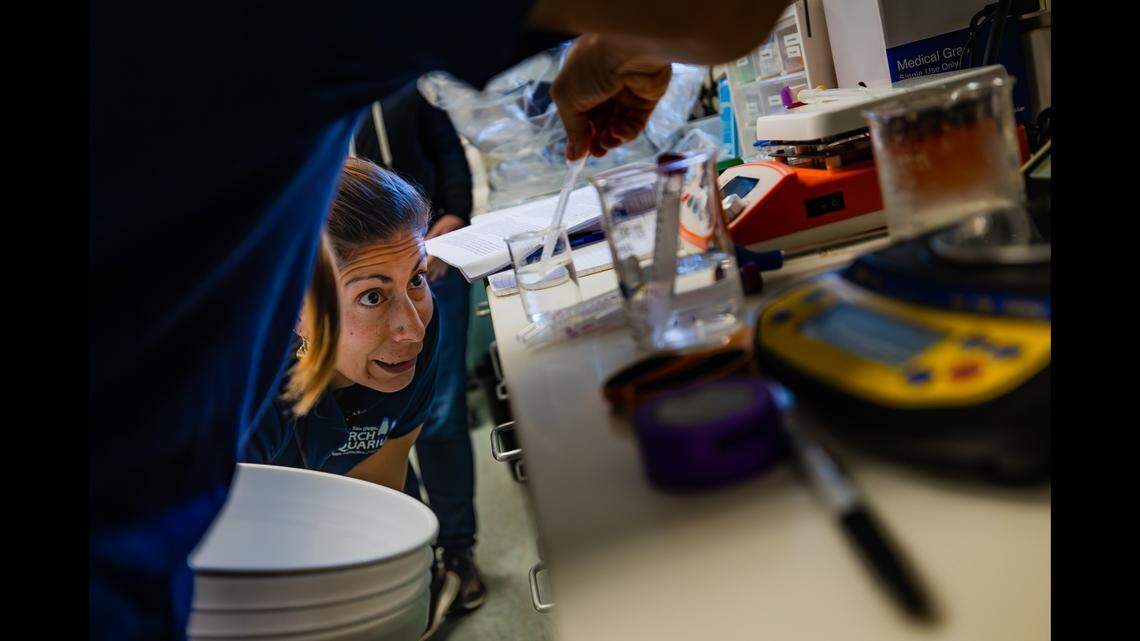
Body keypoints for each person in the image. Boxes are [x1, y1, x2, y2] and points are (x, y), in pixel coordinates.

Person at [90, 1, 792, 638]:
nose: (410, 325)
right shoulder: (250, 395)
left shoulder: (398, 347)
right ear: (297, 304)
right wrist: (623, 39)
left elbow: (361, 537)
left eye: (418, 282)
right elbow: (721, 13)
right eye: (370, 295)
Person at [352, 80, 486, 616]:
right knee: (374, 432)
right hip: (356, 298)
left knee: (442, 414)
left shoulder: (405, 90)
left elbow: (452, 163)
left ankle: (459, 553)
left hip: (427, 268)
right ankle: (418, 563)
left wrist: (447, 226)